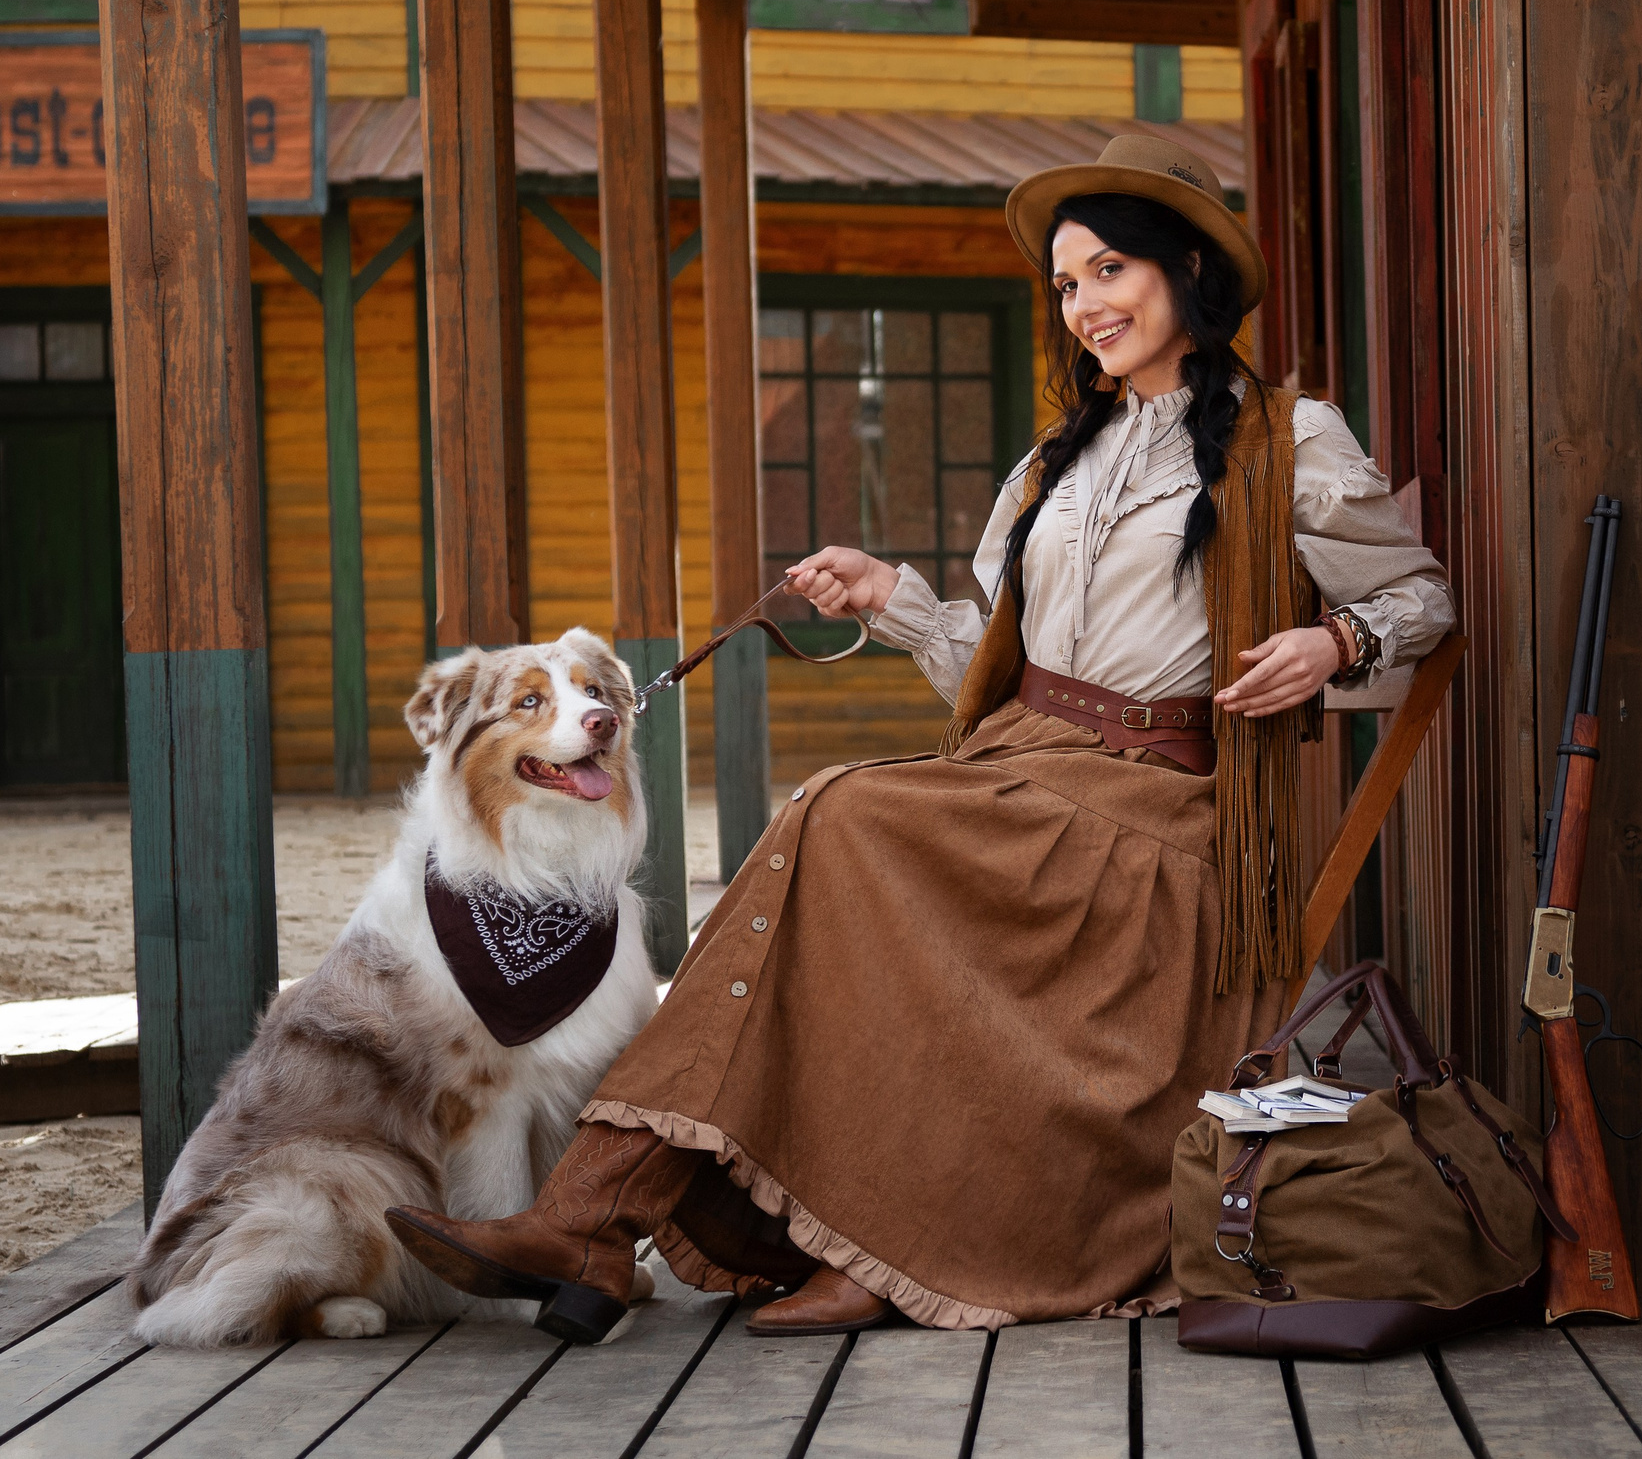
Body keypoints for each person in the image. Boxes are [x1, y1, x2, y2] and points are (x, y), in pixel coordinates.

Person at [385, 133, 1456, 1341]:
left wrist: (1336, 644)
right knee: (833, 834)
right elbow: (997, 670)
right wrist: (888, 595)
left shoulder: (1290, 437)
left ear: (1188, 270)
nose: (1086, 304)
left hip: (1156, 826)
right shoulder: (1057, 461)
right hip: (1021, 774)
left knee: (837, 818)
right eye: (1065, 283)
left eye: (1111, 270)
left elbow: (1425, 599)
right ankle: (623, 1214)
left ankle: (688, 1222)